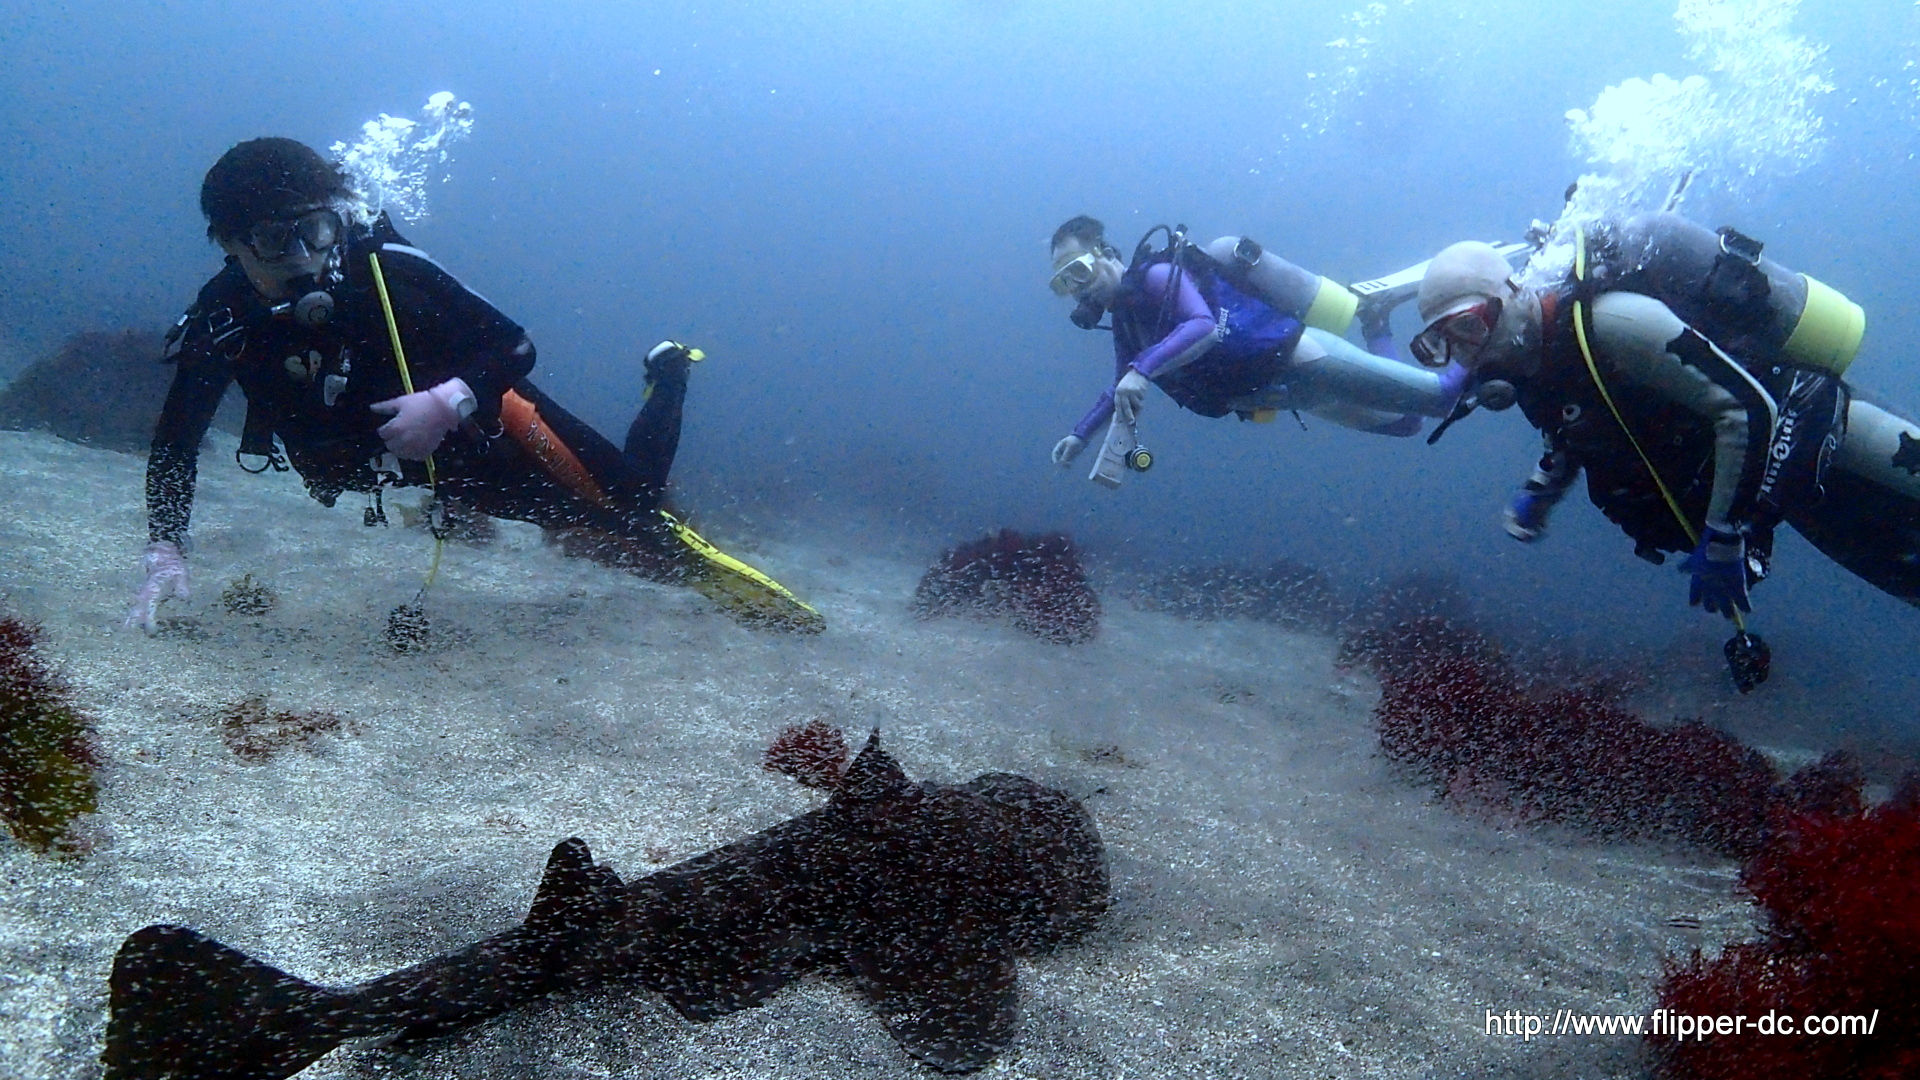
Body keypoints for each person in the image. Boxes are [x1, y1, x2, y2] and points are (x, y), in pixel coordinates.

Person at [128, 138, 820, 634]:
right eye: (275, 242)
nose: (306, 257)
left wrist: (450, 397)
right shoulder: (224, 319)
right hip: (425, 477)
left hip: (484, 427)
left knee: (635, 502)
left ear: (335, 216)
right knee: (607, 522)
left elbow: (513, 344)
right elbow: (176, 442)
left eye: (315, 230)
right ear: (227, 244)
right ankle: (643, 531)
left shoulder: (385, 268)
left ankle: (668, 376)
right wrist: (166, 548)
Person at [1407, 210, 1920, 619]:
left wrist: (1724, 534)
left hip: (1832, 429)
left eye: (1469, 327)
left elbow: (1745, 408)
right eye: (1441, 344)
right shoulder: (1534, 369)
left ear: (1512, 295)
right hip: (1793, 490)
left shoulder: (1615, 323)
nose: (1466, 353)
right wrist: (1540, 492)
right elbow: (1579, 428)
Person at [1044, 215, 1469, 475]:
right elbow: (1118, 388)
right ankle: (1376, 321)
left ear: (1103, 253)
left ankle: (1498, 324)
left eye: (1078, 270)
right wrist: (1080, 436)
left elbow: (1202, 325)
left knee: (1442, 397)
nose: (1077, 289)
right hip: (1285, 395)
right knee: (1405, 424)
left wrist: (1142, 371)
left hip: (1302, 359)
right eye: (1063, 283)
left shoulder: (1156, 277)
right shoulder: (1127, 321)